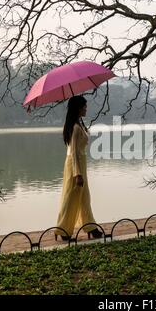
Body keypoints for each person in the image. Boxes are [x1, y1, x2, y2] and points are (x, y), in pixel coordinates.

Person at [54, 95, 103, 240]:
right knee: (71, 198)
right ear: (78, 108)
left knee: (84, 198)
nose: (86, 109)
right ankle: (63, 230)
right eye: (84, 106)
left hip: (80, 163)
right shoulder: (75, 128)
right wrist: (77, 174)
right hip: (75, 165)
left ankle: (91, 228)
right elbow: (74, 152)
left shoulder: (78, 124)